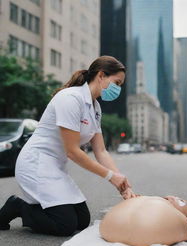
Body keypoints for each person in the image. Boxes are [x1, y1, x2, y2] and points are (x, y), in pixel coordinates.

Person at [0, 56, 136, 236]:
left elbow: (101, 151)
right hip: (36, 164)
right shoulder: (70, 98)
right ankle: (18, 206)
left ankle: (44, 206)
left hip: (55, 167)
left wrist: (123, 185)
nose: (118, 89)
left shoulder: (95, 108)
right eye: (117, 83)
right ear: (101, 75)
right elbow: (72, 151)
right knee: (65, 225)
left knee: (81, 220)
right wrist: (110, 176)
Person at [99, 195, 187, 246]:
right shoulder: (149, 201)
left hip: (108, 229)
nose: (174, 197)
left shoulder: (180, 219)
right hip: (112, 225)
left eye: (181, 201)